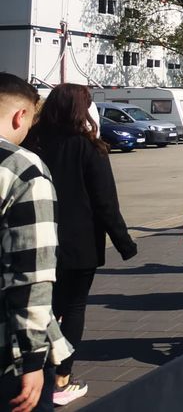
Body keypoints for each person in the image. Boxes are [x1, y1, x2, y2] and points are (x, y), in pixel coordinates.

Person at [27, 84, 137, 406]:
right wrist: (124, 243)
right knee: (72, 308)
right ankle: (62, 376)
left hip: (37, 240)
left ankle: (32, 367)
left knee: (41, 307)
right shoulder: (89, 147)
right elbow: (105, 202)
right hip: (79, 243)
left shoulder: (32, 143)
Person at [0, 74, 72, 412]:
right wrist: (32, 359)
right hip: (9, 351)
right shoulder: (23, 171)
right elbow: (32, 273)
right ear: (21, 116)